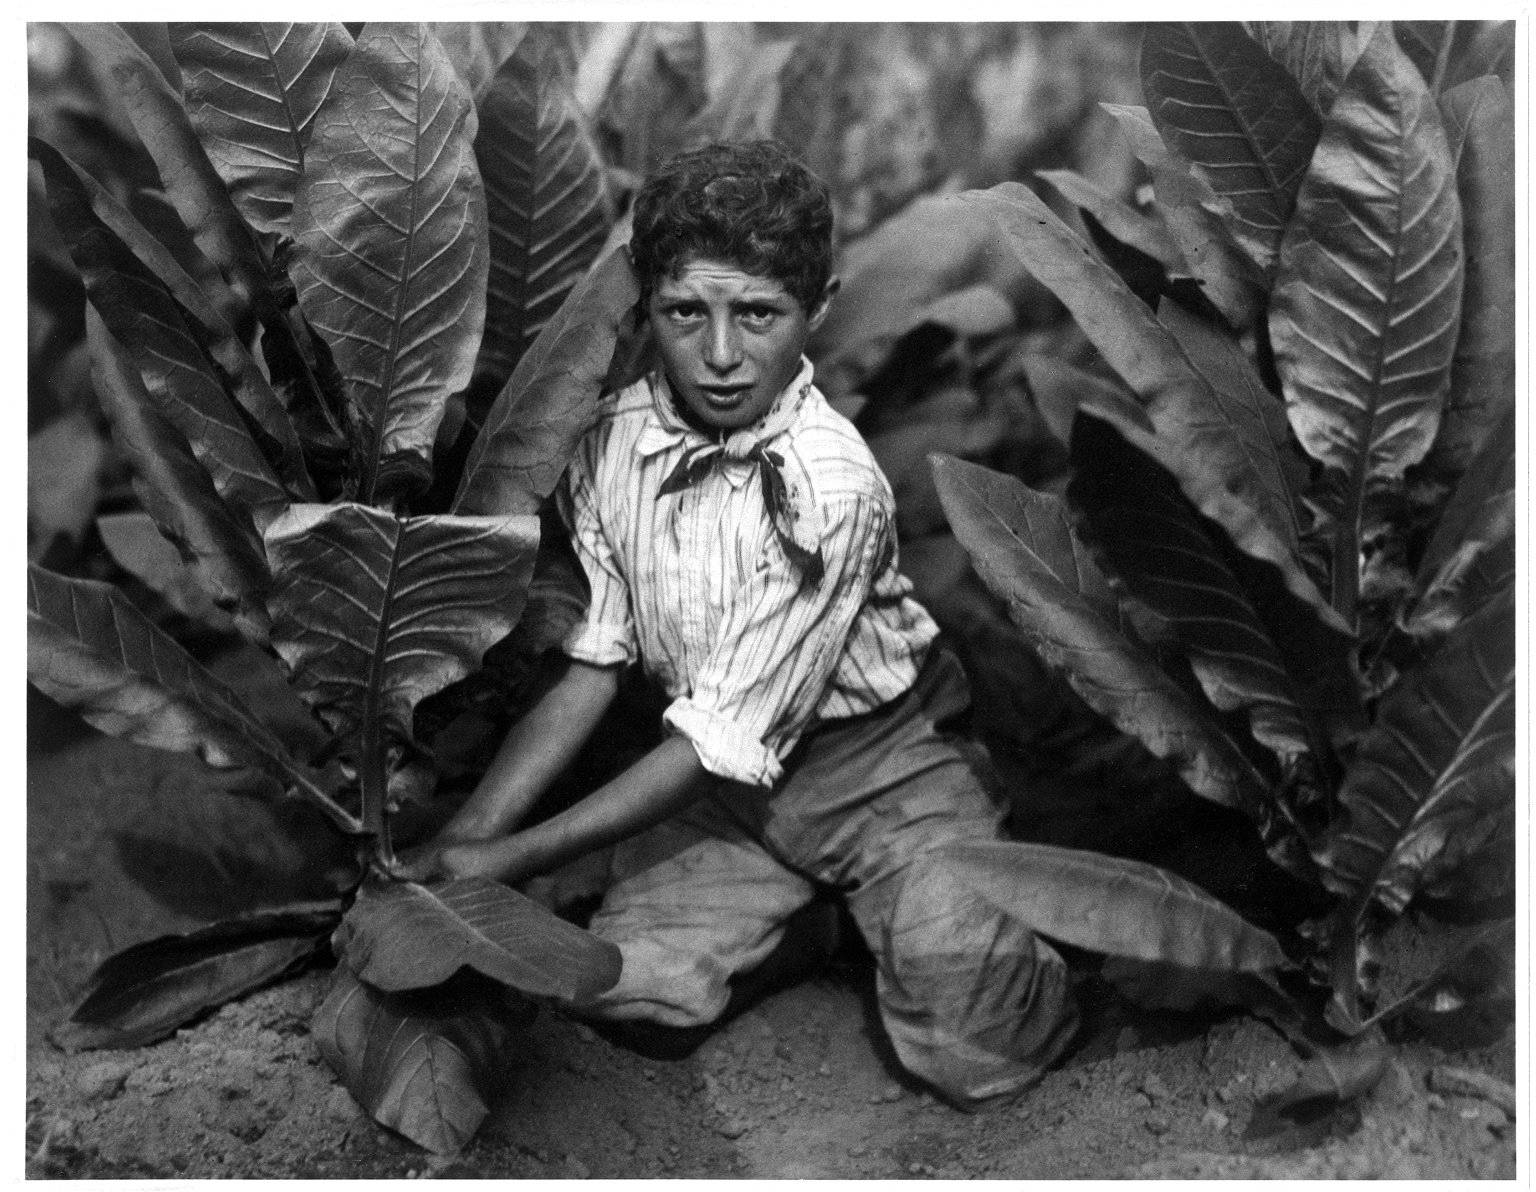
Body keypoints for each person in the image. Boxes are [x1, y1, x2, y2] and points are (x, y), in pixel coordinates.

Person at [400, 140, 1078, 1105]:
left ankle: (926, 904)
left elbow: (723, 737)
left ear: (821, 308)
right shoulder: (611, 443)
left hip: (885, 768)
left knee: (981, 1050)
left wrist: (502, 861)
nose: (722, 356)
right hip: (730, 788)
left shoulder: (833, 487)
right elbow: (593, 665)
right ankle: (815, 930)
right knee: (616, 983)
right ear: (647, 309)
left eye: (759, 315)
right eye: (687, 313)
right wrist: (469, 834)